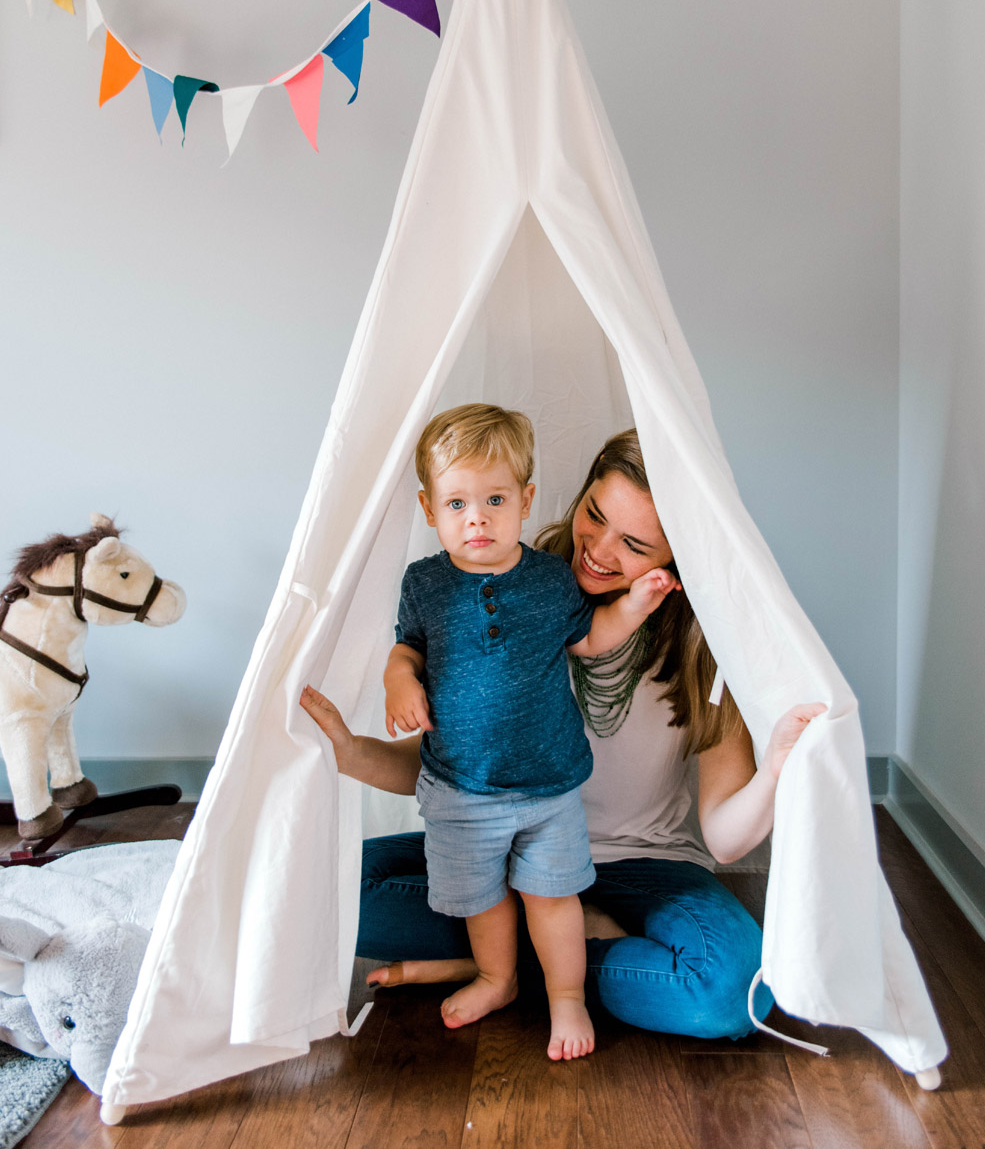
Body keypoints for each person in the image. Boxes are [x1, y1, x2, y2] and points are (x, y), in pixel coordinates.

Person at [301, 427, 826, 1045]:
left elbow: (726, 839)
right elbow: (455, 761)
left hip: (640, 867)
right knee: (327, 887)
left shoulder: (704, 650)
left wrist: (775, 771)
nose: (599, 551)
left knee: (730, 992)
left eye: (633, 544)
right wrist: (349, 751)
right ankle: (526, 954)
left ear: (678, 559)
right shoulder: (514, 582)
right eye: (594, 516)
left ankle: (530, 963)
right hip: (496, 845)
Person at [382, 405, 673, 1061]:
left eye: (494, 499)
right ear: (430, 511)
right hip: (461, 789)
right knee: (481, 903)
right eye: (457, 503)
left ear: (526, 500)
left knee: (553, 897)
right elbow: (408, 650)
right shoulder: (424, 583)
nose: (477, 518)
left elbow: (591, 639)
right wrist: (397, 682)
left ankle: (567, 996)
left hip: (548, 790)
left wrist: (633, 603)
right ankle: (498, 977)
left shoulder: (549, 580)